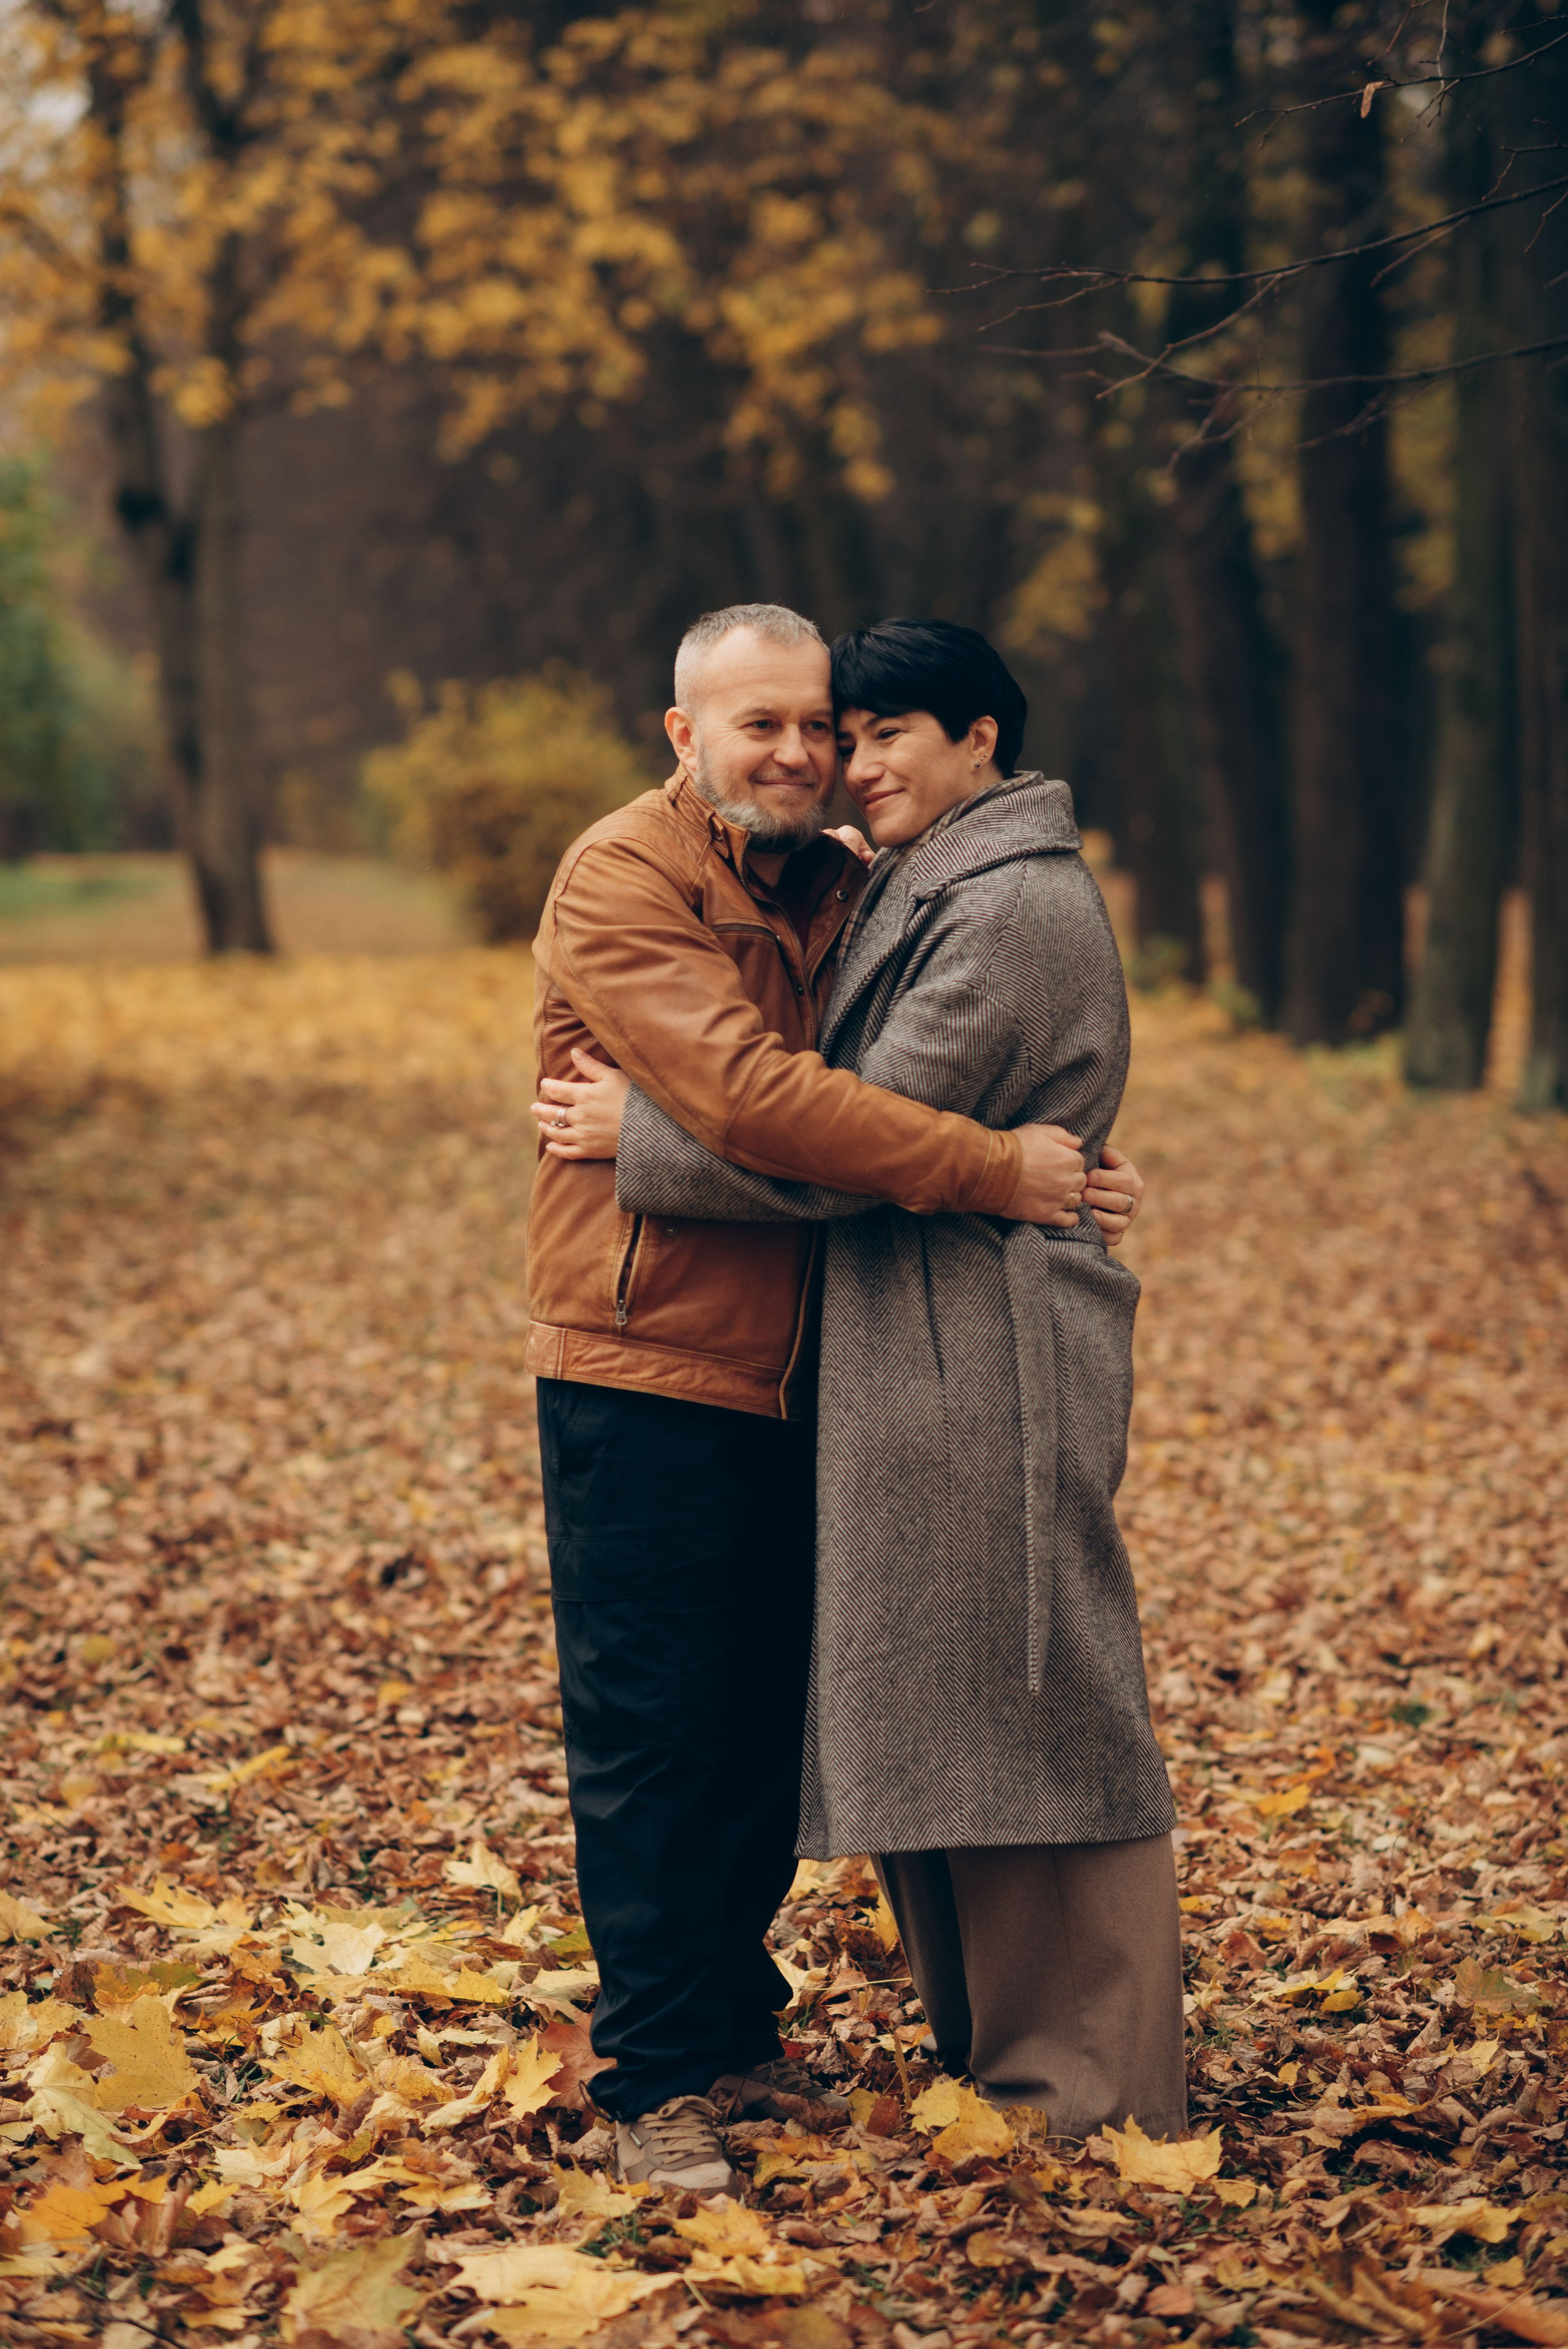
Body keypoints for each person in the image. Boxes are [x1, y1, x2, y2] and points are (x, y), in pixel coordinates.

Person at [525, 603, 1147, 2193]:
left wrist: (1053, 1152)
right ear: (686, 737)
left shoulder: (842, 878)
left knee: (751, 1728)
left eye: (833, 726)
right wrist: (997, 1168)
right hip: (655, 1352)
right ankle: (656, 2077)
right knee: (658, 1731)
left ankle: (732, 2032)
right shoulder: (627, 876)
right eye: (770, 729)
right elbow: (757, 1098)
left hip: (817, 1361)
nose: (810, 753)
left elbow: (903, 1079)